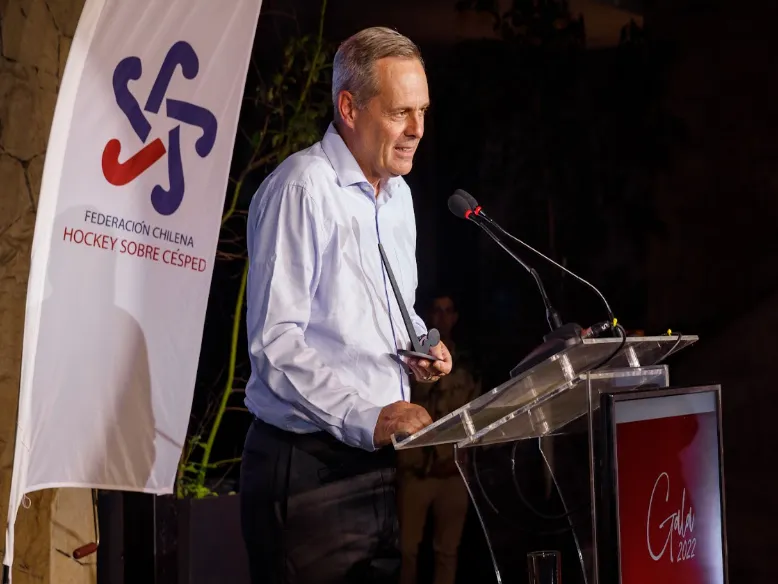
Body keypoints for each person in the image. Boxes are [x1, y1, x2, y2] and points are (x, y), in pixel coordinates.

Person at [239, 27, 453, 584]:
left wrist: (420, 347)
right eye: (401, 111)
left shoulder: (398, 195)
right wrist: (372, 416)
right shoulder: (301, 189)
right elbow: (275, 348)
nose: (417, 130)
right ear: (350, 107)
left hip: (375, 468)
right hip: (305, 468)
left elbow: (384, 310)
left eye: (423, 111)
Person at [397, 294, 481, 584]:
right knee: (406, 550)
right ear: (428, 317)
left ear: (455, 317)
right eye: (437, 311)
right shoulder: (411, 359)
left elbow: (475, 413)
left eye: (448, 311)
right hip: (415, 470)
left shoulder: (467, 365)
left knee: (447, 552)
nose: (442, 318)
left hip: (452, 471)